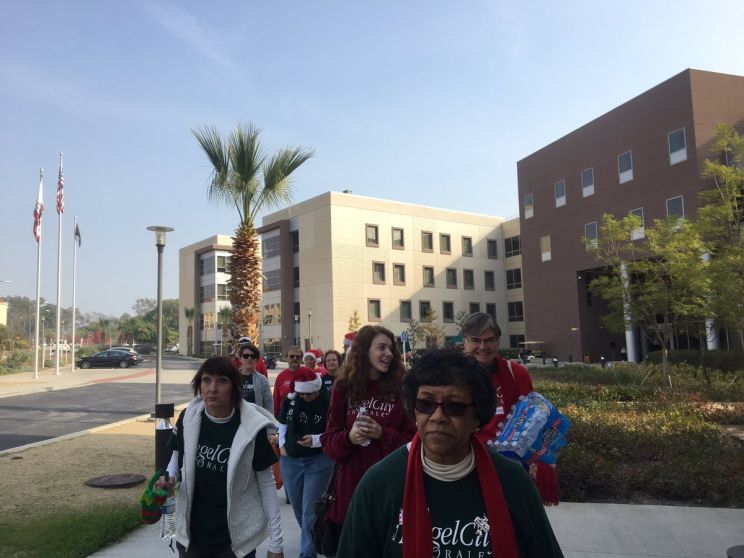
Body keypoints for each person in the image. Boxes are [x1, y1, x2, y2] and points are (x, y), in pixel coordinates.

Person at [337, 350, 564, 557]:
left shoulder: (513, 484)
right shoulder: (380, 484)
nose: (437, 417)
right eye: (425, 404)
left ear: (478, 416)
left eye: (454, 406)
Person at [159, 356, 284, 558]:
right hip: (192, 539)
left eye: (222, 381)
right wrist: (170, 478)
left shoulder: (252, 427)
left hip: (234, 542)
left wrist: (276, 544)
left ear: (234, 387)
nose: (212, 388)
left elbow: (266, 484)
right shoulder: (189, 417)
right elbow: (176, 456)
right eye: (206, 380)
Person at [320, 325, 416, 539]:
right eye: (382, 347)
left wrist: (383, 433)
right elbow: (329, 441)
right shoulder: (343, 387)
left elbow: (414, 443)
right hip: (351, 491)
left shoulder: (402, 388)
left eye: (391, 348)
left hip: (391, 489)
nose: (389, 353)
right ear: (364, 350)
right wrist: (349, 438)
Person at [462, 312, 559, 505]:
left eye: (489, 340)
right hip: (464, 461)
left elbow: (533, 420)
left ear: (498, 342)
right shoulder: (451, 376)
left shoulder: (517, 374)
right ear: (465, 342)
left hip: (507, 465)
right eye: (475, 340)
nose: (483, 347)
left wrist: (540, 458)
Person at [277, 369, 334, 558]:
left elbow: (335, 431)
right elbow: (282, 422)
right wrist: (282, 444)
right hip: (291, 459)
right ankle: (313, 536)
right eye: (302, 393)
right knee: (298, 507)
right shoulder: (291, 399)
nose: (305, 397)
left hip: (318, 460)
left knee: (310, 509)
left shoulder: (329, 401)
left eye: (309, 393)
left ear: (317, 389)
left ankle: (307, 553)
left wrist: (316, 440)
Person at [238, 342, 273, 414]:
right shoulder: (232, 378)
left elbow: (269, 406)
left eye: (253, 356)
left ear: (256, 360)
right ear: (240, 359)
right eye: (246, 356)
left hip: (257, 422)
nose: (249, 358)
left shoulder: (262, 380)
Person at [272, 346, 306, 415]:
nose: (295, 358)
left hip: (303, 417)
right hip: (284, 417)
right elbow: (276, 398)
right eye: (291, 356)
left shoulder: (307, 374)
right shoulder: (281, 376)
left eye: (297, 357)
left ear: (301, 359)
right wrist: (275, 416)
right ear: (286, 358)